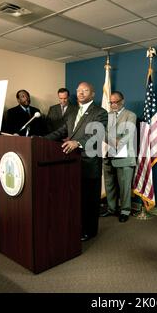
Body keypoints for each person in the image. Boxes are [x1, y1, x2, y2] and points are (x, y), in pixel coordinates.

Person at [45, 82, 108, 242]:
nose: (81, 93)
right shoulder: (73, 112)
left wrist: (77, 143)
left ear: (92, 94)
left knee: (89, 200)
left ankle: (90, 231)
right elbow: (62, 131)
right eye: (79, 90)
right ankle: (77, 227)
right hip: (72, 163)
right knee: (75, 199)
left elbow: (96, 135)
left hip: (89, 163)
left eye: (85, 90)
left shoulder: (100, 112)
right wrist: (41, 140)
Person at [101, 91, 137, 223]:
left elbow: (129, 133)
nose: (113, 104)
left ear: (122, 101)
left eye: (116, 102)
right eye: (111, 102)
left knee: (124, 186)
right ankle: (111, 208)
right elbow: (102, 132)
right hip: (108, 153)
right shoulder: (108, 115)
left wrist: (118, 142)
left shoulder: (130, 115)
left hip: (125, 155)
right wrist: (112, 141)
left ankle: (125, 210)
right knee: (109, 184)